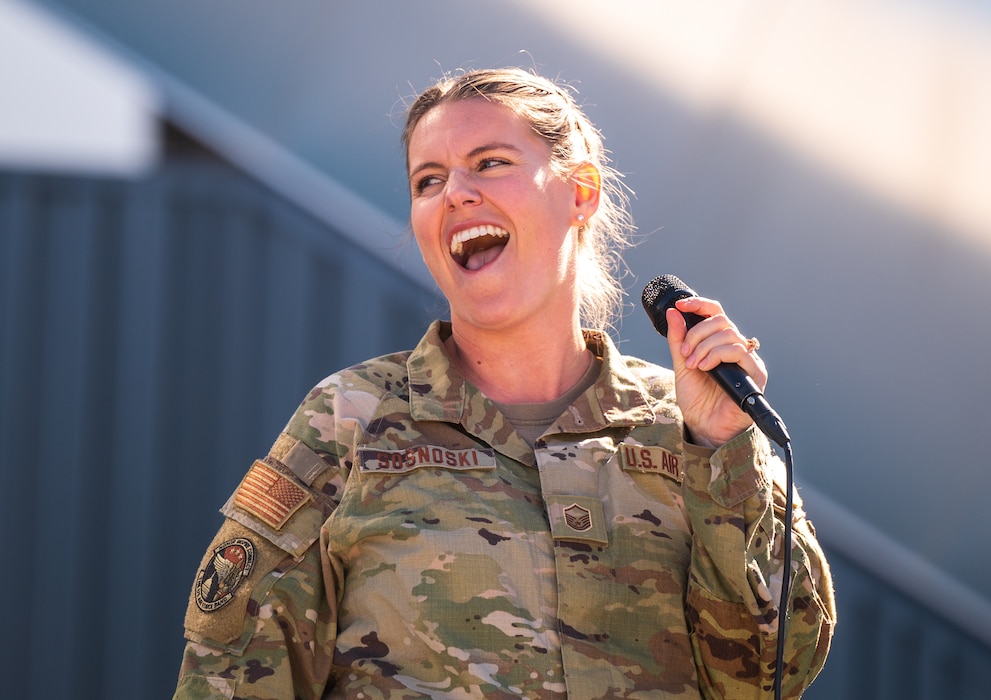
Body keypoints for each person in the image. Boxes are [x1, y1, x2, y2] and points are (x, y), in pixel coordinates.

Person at [173, 66, 835, 699]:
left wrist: (723, 450)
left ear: (581, 192)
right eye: (428, 181)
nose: (455, 191)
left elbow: (771, 674)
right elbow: (228, 674)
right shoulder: (351, 418)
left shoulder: (692, 425)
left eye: (490, 163)